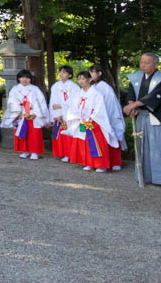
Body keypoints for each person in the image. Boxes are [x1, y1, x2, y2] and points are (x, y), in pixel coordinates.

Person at [121, 52, 161, 184]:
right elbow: (131, 94)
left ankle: (158, 178)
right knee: (141, 146)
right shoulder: (136, 77)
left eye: (147, 63)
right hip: (140, 117)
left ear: (156, 64)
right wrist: (131, 105)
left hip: (155, 117)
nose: (143, 65)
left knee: (157, 147)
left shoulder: (159, 78)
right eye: (141, 62)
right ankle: (143, 176)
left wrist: (135, 105)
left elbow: (154, 96)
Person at [68, 70, 119, 173]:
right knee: (84, 142)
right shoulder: (78, 93)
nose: (80, 81)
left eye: (83, 79)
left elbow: (99, 108)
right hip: (81, 121)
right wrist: (79, 118)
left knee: (97, 143)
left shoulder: (96, 93)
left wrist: (90, 119)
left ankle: (101, 165)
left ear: (90, 79)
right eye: (79, 79)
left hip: (94, 122)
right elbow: (73, 107)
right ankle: (89, 163)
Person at [2, 70, 49, 160]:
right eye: (22, 77)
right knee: (22, 132)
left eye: (27, 77)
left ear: (30, 79)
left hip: (33, 114)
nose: (25, 79)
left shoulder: (35, 89)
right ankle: (24, 151)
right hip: (20, 114)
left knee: (34, 133)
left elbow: (41, 102)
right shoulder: (15, 89)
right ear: (18, 78)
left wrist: (35, 113)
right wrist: (17, 111)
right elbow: (12, 101)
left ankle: (34, 152)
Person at [89, 65, 125, 171]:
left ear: (100, 73)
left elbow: (109, 104)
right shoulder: (93, 87)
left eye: (92, 72)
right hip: (96, 117)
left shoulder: (104, 86)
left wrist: (104, 117)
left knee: (112, 137)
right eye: (89, 72)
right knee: (101, 140)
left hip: (108, 115)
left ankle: (116, 162)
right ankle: (102, 162)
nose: (90, 74)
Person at [48, 66, 78, 162]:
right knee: (61, 135)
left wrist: (61, 106)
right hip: (59, 116)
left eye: (64, 72)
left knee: (69, 135)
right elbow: (53, 102)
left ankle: (71, 154)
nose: (61, 74)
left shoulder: (74, 87)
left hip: (69, 115)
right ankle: (63, 153)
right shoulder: (55, 86)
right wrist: (56, 114)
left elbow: (74, 102)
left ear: (70, 75)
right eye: (60, 72)